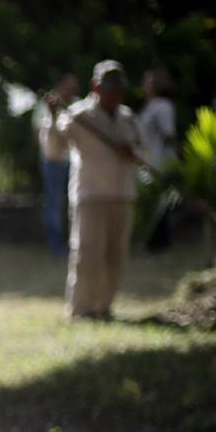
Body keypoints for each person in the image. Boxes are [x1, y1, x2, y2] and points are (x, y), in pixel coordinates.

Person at [46, 60, 143, 320]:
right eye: (109, 90)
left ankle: (103, 306)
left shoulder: (128, 117)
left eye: (118, 90)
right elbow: (54, 150)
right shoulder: (78, 115)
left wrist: (132, 152)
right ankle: (81, 308)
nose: (114, 96)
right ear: (95, 87)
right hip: (90, 193)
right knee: (88, 254)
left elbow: (144, 151)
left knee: (116, 256)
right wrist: (53, 117)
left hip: (122, 193)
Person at [38, 72, 80, 257]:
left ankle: (74, 242)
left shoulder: (77, 105)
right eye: (69, 86)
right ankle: (56, 246)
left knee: (74, 203)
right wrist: (53, 113)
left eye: (74, 87)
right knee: (54, 204)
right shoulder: (46, 105)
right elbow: (40, 132)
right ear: (61, 85)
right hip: (53, 161)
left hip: (73, 162)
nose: (72, 90)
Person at [138, 68, 178, 252]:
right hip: (148, 161)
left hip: (160, 161)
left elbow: (168, 134)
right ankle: (154, 240)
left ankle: (160, 242)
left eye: (148, 82)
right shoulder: (150, 106)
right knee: (153, 203)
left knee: (161, 204)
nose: (144, 85)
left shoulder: (163, 106)